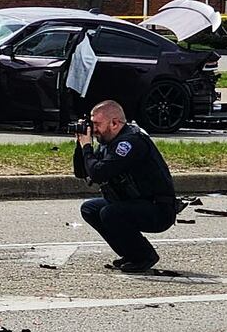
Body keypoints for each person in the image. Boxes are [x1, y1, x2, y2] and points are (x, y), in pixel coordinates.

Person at [74, 99, 177, 272]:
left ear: (114, 123)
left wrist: (87, 148)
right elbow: (82, 172)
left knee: (110, 213)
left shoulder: (130, 142)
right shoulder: (109, 142)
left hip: (158, 209)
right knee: (90, 209)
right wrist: (81, 145)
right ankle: (130, 253)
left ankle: (144, 256)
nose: (94, 129)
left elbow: (99, 173)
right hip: (135, 203)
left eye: (97, 124)